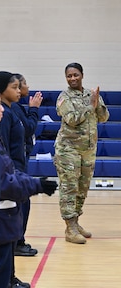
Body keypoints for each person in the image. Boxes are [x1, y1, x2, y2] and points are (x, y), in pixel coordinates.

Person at [0, 91, 57, 288]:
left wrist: (33, 182)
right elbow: (3, 182)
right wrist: (35, 185)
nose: (2, 109)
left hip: (3, 217)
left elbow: (9, 171)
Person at [54, 62, 109, 244]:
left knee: (82, 189)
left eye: (75, 75)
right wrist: (90, 107)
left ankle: (76, 223)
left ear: (82, 75)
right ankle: (69, 228)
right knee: (69, 188)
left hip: (87, 151)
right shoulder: (64, 98)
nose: (72, 79)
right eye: (69, 76)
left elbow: (103, 118)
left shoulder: (90, 95)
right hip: (68, 150)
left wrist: (97, 104)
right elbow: (71, 119)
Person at [0, 71, 30, 288]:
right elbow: (3, 151)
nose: (19, 91)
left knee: (13, 230)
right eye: (14, 87)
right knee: (7, 233)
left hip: (17, 176)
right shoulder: (3, 116)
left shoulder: (10, 112)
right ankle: (6, 280)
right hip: (11, 179)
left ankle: (9, 277)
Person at [11, 74, 43, 257]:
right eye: (20, 85)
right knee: (21, 203)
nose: (25, 87)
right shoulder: (12, 109)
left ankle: (18, 240)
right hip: (15, 165)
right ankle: (16, 241)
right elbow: (28, 128)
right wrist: (34, 110)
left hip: (20, 161)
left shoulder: (16, 107)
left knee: (23, 202)